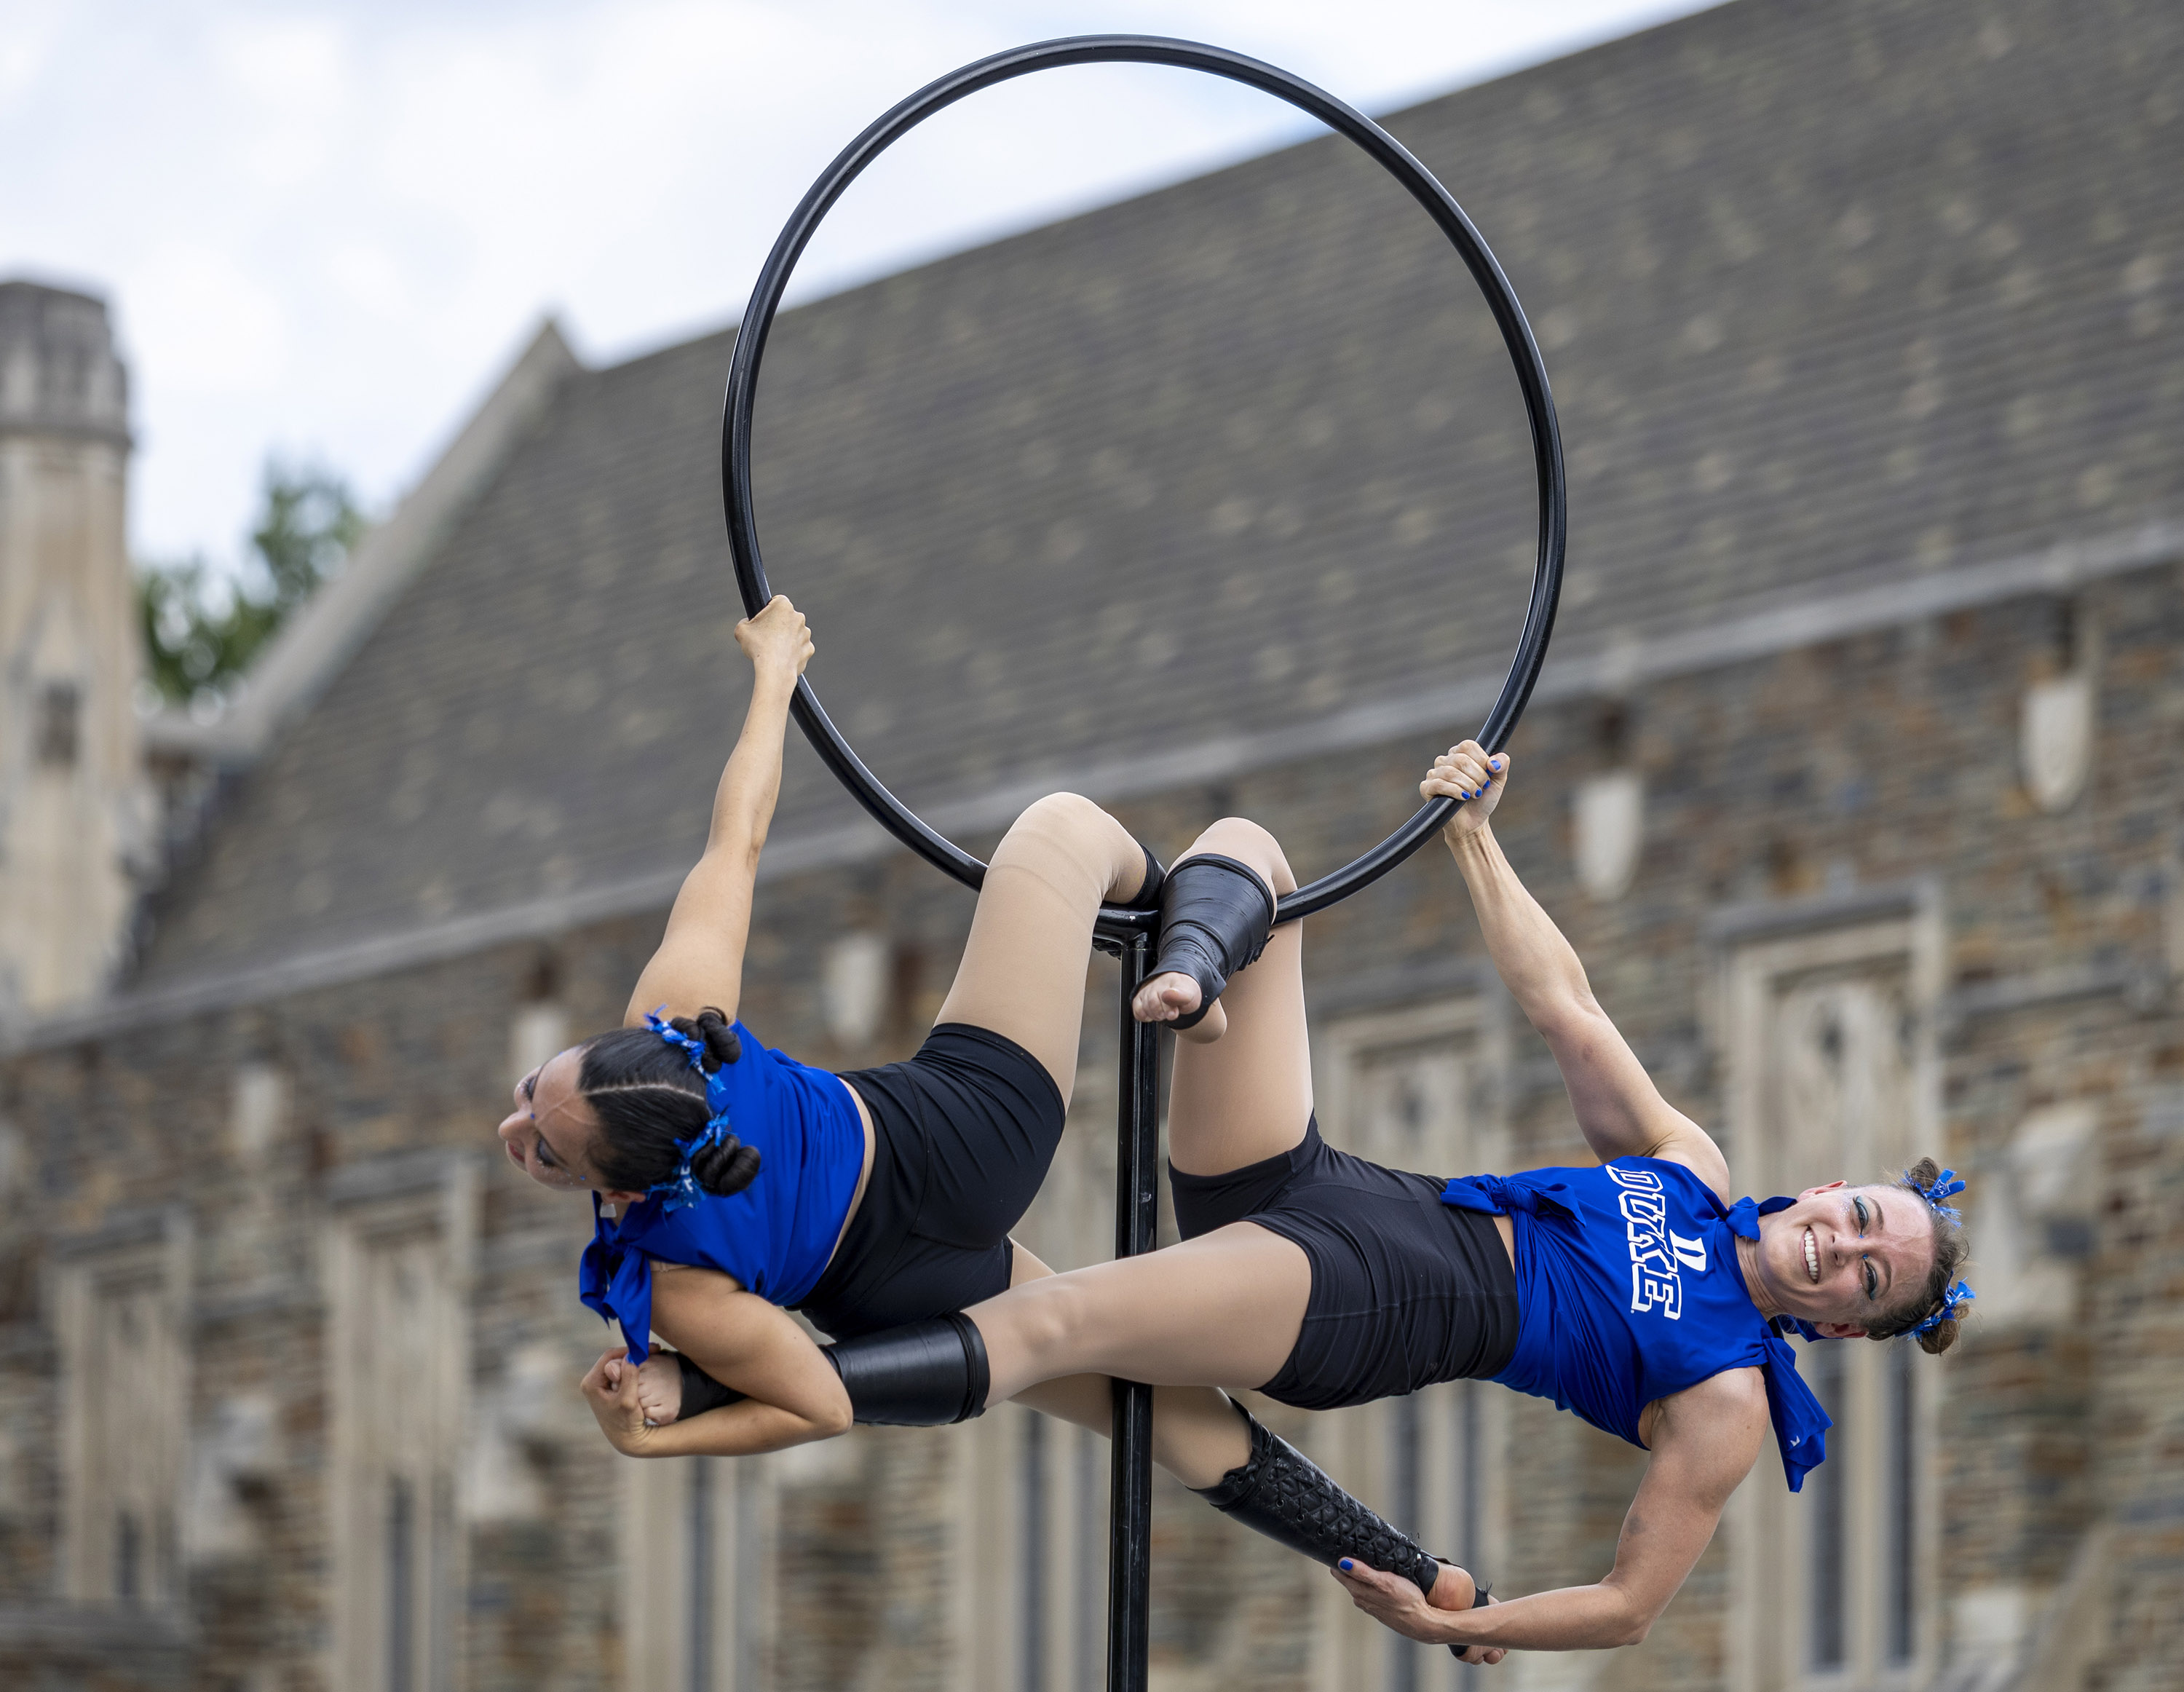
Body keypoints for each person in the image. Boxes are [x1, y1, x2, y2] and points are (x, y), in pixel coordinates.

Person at [614, 740, 1973, 1661]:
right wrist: (1474, 836)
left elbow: (1631, 1601)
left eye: (1868, 1274)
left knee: (1053, 1321)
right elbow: (1564, 999)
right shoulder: (1695, 1169)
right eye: (1862, 1219)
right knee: (1257, 853)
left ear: (1851, 1326)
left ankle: (748, 1388)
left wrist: (1463, 1624)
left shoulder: (1727, 1395)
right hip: (1328, 1191)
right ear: (1838, 1187)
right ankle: (1195, 976)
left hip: (1372, 1305)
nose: (1844, 1247)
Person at [506, 593, 1281, 1514]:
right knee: (1059, 832)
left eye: (531, 1097)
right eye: (544, 1146)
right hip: (960, 1141)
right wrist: (644, 1433)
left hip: (905, 1276)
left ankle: (1178, 946)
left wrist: (774, 678)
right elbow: (737, 843)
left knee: (1147, 1404)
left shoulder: (678, 1278)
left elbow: (828, 1401)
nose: (511, 1128)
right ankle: (1416, 1573)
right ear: (625, 1187)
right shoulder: (678, 1025)